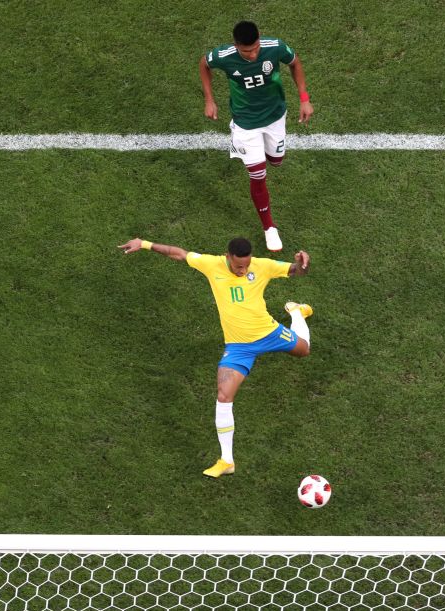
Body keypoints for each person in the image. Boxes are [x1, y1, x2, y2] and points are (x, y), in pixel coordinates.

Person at [118, 235, 313, 478]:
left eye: (247, 265)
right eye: (238, 265)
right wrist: (145, 244)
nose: (243, 270)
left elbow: (295, 272)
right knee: (224, 395)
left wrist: (302, 265)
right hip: (238, 348)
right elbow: (179, 253)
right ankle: (226, 460)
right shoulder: (212, 264)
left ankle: (296, 313)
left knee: (304, 350)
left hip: (269, 333)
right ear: (227, 256)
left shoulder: (261, 266)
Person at [199, 20, 314, 253]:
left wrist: (304, 98)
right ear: (236, 46)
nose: (251, 55)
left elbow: (295, 63)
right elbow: (204, 65)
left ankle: (264, 156)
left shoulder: (275, 47)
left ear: (260, 39)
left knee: (276, 161)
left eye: (255, 49)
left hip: (275, 116)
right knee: (258, 175)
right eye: (245, 51)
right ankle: (269, 228)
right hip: (245, 123)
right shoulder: (223, 55)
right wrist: (209, 99)